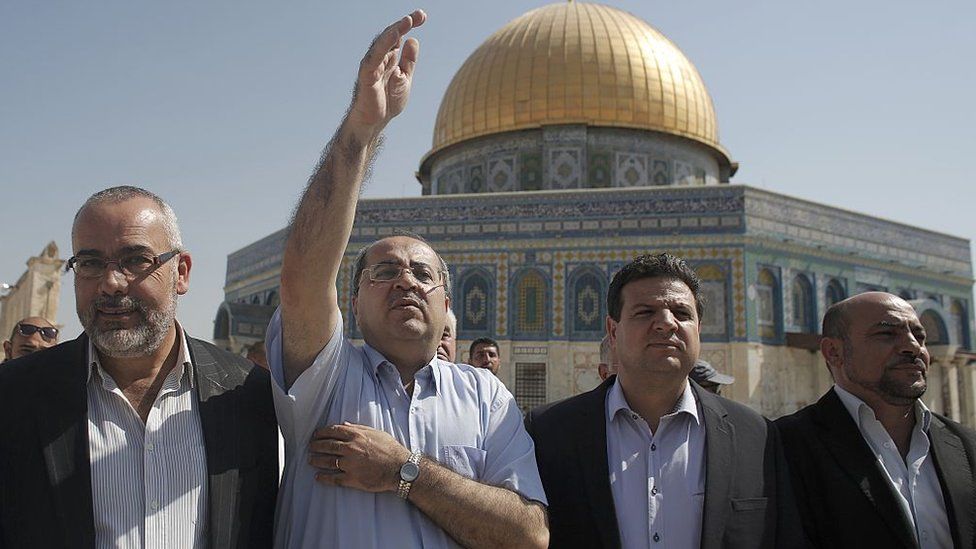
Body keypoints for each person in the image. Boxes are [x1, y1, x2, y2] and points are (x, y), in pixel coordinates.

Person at [267, 10, 548, 548]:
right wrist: (360, 132)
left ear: (448, 304)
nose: (406, 282)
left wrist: (405, 472)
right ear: (351, 301)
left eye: (423, 273)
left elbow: (528, 536)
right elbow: (303, 275)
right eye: (384, 272)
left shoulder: (484, 397)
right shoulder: (325, 381)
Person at [0, 186, 278, 548]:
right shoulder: (15, 396)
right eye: (91, 263)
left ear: (181, 272)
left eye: (135, 261)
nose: (112, 283)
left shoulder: (247, 394)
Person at [526, 253, 803, 548]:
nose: (666, 323)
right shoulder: (549, 433)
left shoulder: (755, 436)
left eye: (682, 314)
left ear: (699, 330)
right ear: (613, 330)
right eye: (645, 312)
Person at [776, 292, 976, 548]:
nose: (913, 346)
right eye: (887, 334)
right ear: (834, 352)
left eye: (920, 336)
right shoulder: (787, 446)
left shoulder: (964, 446)